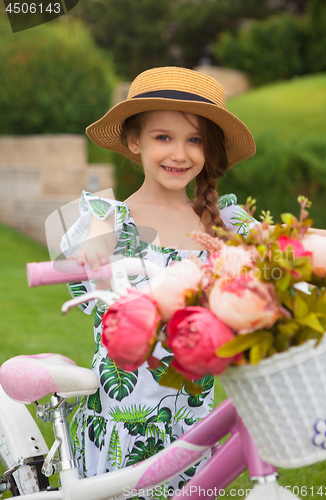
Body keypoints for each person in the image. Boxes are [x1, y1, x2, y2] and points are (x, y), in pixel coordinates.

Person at [61, 66, 258, 497]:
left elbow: (284, 249)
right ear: (135, 142)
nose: (179, 153)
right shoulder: (111, 217)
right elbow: (91, 245)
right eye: (163, 137)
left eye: (194, 140)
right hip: (124, 422)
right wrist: (96, 247)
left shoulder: (222, 226)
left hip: (192, 417)